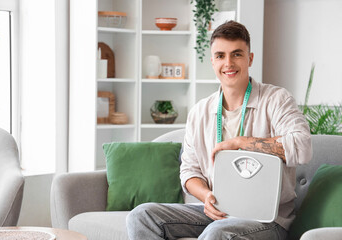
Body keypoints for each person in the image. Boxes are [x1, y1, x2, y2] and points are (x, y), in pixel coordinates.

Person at [126, 20, 312, 240]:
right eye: (220, 56)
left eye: (237, 54)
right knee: (142, 216)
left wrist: (242, 143)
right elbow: (189, 171)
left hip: (267, 220)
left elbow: (303, 146)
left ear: (250, 58)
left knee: (218, 233)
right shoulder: (199, 112)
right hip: (219, 212)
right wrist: (206, 196)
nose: (228, 63)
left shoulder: (277, 99)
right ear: (212, 61)